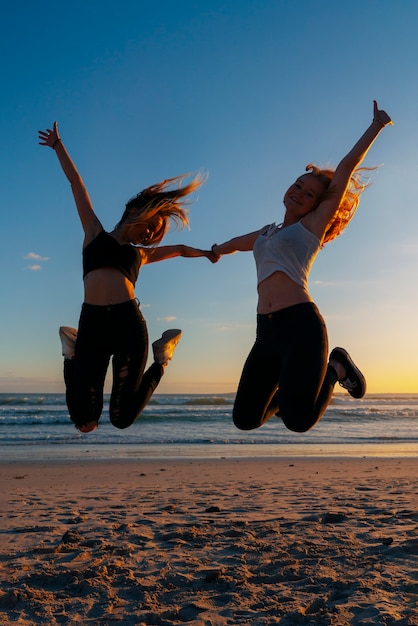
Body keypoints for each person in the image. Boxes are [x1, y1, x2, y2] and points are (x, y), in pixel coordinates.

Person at [211, 101, 392, 434]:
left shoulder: (310, 229)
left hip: (301, 327)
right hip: (266, 332)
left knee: (298, 421)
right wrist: (217, 250)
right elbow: (240, 242)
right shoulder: (268, 232)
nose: (298, 193)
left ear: (316, 205)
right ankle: (294, 388)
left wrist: (376, 126)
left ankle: (336, 367)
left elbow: (346, 168)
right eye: (297, 185)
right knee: (246, 419)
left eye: (308, 194)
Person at [39, 122, 218, 433]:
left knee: (121, 419)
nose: (151, 234)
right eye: (152, 225)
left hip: (128, 326)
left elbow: (177, 249)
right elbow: (76, 184)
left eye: (155, 233)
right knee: (85, 420)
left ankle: (161, 360)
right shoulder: (94, 233)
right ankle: (71, 353)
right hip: (92, 324)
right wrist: (58, 145)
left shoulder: (141, 255)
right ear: (136, 210)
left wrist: (206, 252)